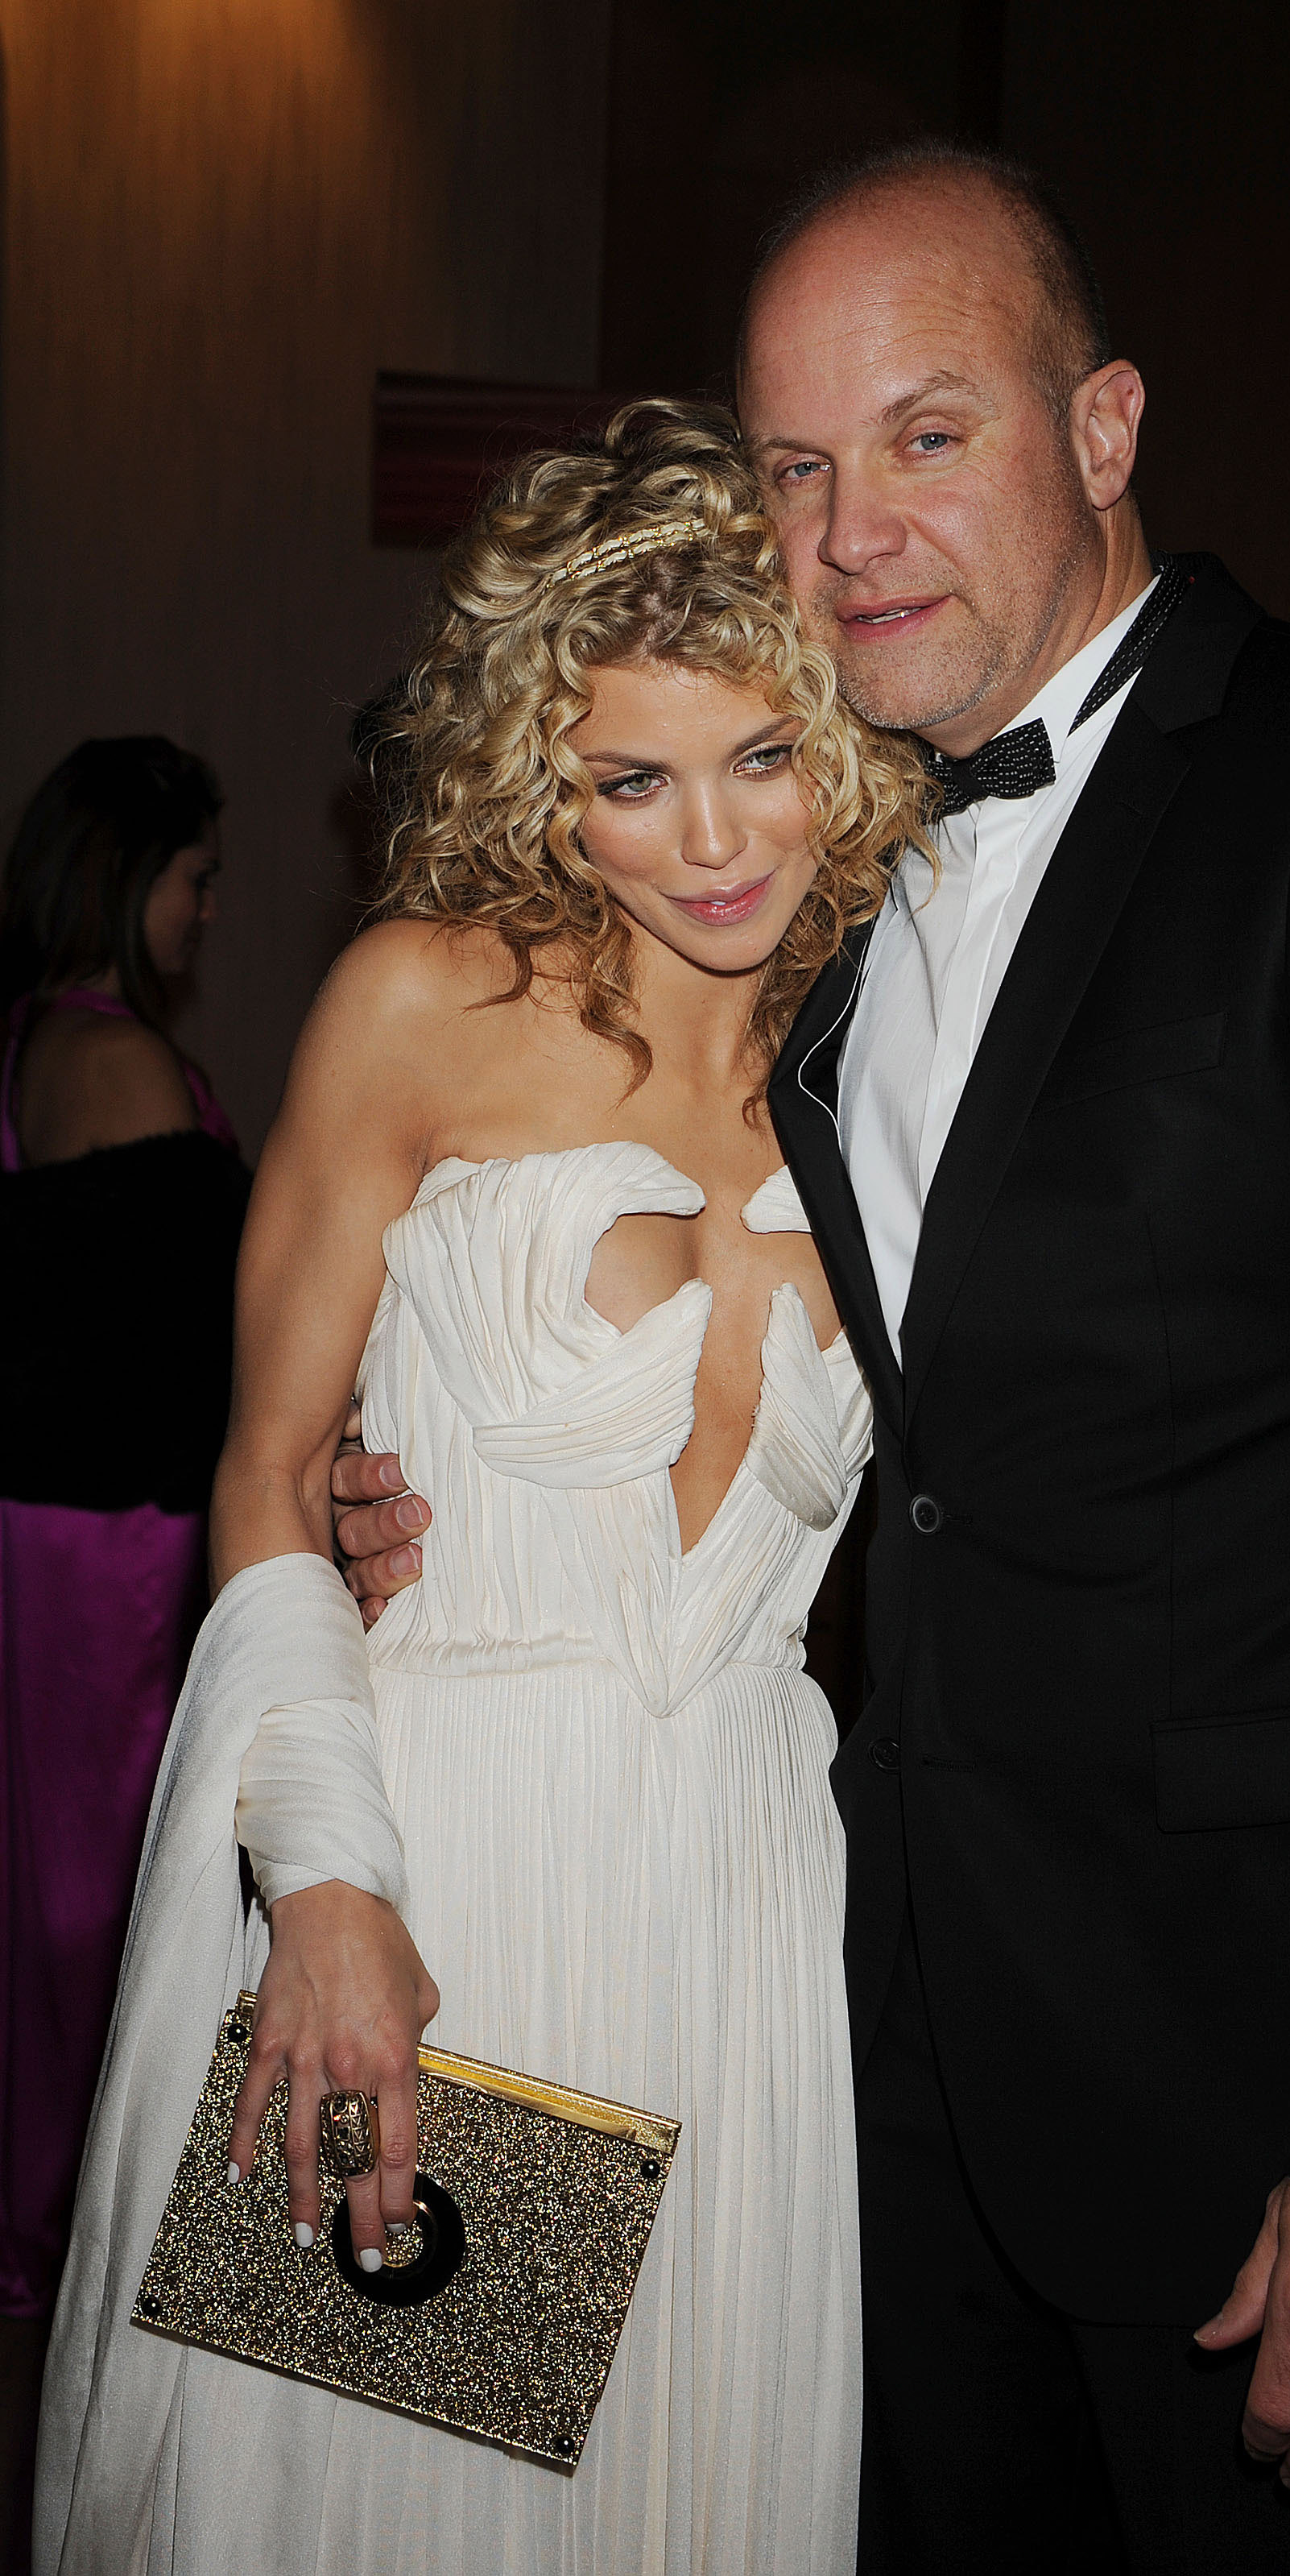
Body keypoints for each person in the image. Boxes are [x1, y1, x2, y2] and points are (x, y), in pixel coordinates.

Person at [337, 146, 1290, 2573]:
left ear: (1103, 425)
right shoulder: (781, 896)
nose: (848, 526)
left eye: (926, 433)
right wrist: (394, 1495)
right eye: (793, 465)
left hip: (1254, 2141)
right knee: (377, 2489)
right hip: (714, 1997)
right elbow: (356, 1410)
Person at [35, 402, 929, 2576]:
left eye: (762, 755)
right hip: (451, 1894)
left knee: (665, 2507)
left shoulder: (903, 1042)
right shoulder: (431, 1006)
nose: (712, 839)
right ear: (551, 778)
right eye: (633, 776)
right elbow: (261, 1465)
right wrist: (328, 1887)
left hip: (739, 1910)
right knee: (402, 2499)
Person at [0, 739, 246, 2367]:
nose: (205, 915)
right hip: (114, 1553)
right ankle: (80, 2269)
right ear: (127, 873)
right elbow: (179, 1357)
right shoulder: (125, 1067)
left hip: (37, 1533)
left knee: (40, 1910)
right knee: (109, 1913)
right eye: (195, 880)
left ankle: (47, 2259)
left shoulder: (27, 1043)